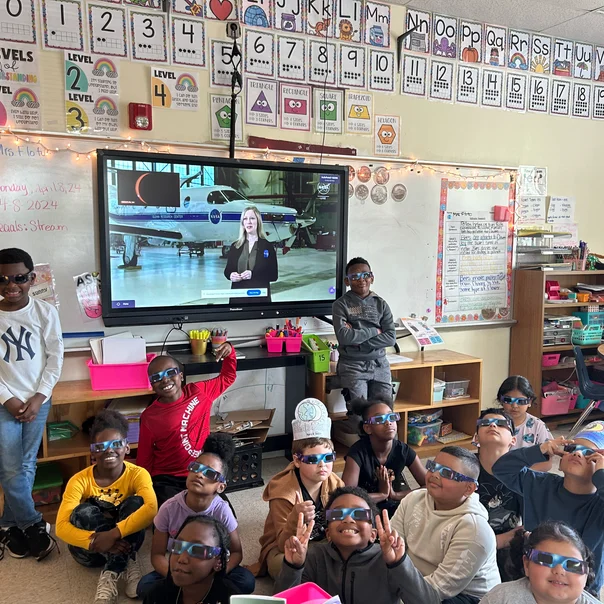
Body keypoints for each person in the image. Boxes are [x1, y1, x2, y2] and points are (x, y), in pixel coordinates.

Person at [0, 247, 64, 562]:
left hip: (38, 399)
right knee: (11, 465)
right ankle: (33, 524)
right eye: (2, 280)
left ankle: (8, 524)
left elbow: (55, 356)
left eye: (19, 278)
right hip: (4, 402)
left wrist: (40, 396)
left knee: (26, 464)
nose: (11, 285)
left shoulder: (45, 312)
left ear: (32, 278)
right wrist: (8, 399)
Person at [56, 410, 158, 604]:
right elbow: (60, 527)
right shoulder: (79, 480)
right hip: (92, 550)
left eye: (116, 444)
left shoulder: (138, 474)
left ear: (127, 447)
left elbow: (152, 509)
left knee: (137, 503)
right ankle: (127, 560)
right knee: (82, 511)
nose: (109, 450)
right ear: (93, 452)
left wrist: (113, 535)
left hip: (123, 539)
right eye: (101, 446)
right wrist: (95, 541)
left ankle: (111, 571)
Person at [492, 421, 604, 595]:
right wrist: (538, 450)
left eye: (589, 454)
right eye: (571, 449)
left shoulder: (600, 503)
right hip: (534, 575)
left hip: (581, 587)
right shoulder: (540, 484)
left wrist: (601, 476)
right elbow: (501, 469)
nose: (577, 453)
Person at [137, 432, 254, 598]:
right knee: (145, 587)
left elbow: (236, 552)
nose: (199, 474)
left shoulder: (222, 510)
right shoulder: (169, 508)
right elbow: (157, 555)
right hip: (180, 566)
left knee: (246, 581)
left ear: (221, 487)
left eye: (210, 474)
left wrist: (214, 575)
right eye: (196, 467)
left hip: (210, 566)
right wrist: (175, 576)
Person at [275, 485, 425, 603]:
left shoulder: (387, 560)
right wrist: (293, 567)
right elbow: (284, 601)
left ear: (373, 535)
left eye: (359, 514)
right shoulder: (315, 556)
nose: (348, 519)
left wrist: (399, 564)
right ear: (328, 534)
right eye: (337, 514)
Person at [390, 446, 501, 604]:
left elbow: (437, 590)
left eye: (447, 473)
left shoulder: (474, 529)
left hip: (465, 596)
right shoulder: (413, 499)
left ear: (469, 488)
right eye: (433, 466)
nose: (435, 474)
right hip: (416, 580)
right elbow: (392, 550)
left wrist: (395, 595)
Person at [249, 398, 344, 579]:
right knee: (283, 566)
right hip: (286, 547)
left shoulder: (336, 483)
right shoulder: (282, 492)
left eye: (327, 457)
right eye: (313, 459)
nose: (322, 465)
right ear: (297, 460)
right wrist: (295, 518)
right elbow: (282, 543)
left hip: (323, 541)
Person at [137, 343, 236, 508]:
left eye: (170, 373)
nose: (165, 380)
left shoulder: (199, 391)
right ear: (151, 384)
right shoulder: (149, 417)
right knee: (173, 513)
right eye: (156, 377)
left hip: (201, 471)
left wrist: (230, 353)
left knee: (224, 512)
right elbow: (144, 459)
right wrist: (143, 488)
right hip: (168, 477)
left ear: (181, 376)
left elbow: (228, 377)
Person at [332, 257, 396, 438]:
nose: (361, 280)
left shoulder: (381, 304)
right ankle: (365, 449)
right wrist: (375, 331)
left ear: (372, 277)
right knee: (359, 414)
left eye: (365, 275)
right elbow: (344, 337)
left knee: (385, 411)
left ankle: (386, 449)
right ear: (347, 281)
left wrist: (359, 342)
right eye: (355, 276)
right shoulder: (340, 305)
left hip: (380, 364)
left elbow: (390, 337)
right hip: (352, 366)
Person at [342, 397, 426, 516]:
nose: (388, 422)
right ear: (367, 428)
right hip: (365, 503)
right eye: (379, 419)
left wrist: (395, 495)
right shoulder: (357, 453)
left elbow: (429, 485)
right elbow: (346, 496)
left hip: (395, 500)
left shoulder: (404, 450)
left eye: (391, 417)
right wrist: (381, 495)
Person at [480, 521, 600, 604]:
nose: (559, 570)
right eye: (546, 559)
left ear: (586, 575)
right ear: (527, 565)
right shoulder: (500, 599)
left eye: (573, 565)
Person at [474, 408, 524, 582]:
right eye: (485, 423)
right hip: (468, 541)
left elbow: (532, 524)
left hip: (507, 546)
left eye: (501, 424)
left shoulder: (522, 475)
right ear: (476, 438)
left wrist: (502, 540)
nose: (493, 425)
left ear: (513, 440)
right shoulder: (464, 468)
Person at [142, 516, 235, 604]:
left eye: (197, 550)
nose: (182, 559)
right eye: (178, 546)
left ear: (219, 561)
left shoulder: (232, 599)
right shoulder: (156, 595)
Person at [223, 206, 278, 303]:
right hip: (238, 299)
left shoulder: (267, 246)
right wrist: (231, 275)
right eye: (245, 219)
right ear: (242, 223)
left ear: (258, 221)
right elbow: (227, 270)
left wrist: (253, 274)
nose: (248, 222)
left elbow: (273, 275)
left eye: (252, 218)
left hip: (259, 299)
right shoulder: (235, 246)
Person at [498, 376, 552, 472]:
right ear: (501, 400)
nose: (514, 406)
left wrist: (522, 473)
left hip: (528, 475)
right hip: (498, 473)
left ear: (530, 402)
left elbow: (547, 463)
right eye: (508, 400)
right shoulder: (492, 423)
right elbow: (483, 456)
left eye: (521, 401)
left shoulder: (538, 426)